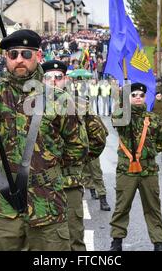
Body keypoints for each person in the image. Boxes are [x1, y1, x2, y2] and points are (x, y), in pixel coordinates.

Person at [0, 29, 88, 251]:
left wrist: (48, 166)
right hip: (3, 204)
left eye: (26, 54)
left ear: (38, 57)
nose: (19, 59)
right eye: (13, 54)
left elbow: (78, 146)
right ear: (6, 58)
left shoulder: (59, 99)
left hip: (47, 203)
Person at [42, 59, 108, 250]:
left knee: (73, 238)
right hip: (37, 186)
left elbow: (98, 138)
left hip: (67, 182)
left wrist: (78, 161)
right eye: (48, 77)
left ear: (66, 80)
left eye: (58, 77)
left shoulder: (79, 105)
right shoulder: (30, 107)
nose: (53, 81)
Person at [110, 83, 162, 251]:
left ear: (145, 98)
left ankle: (159, 243)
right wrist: (124, 101)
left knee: (153, 207)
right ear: (128, 98)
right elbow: (117, 119)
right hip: (126, 170)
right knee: (122, 206)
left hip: (148, 170)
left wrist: (147, 153)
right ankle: (117, 242)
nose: (137, 97)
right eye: (133, 95)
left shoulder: (153, 118)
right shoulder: (123, 116)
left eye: (141, 95)